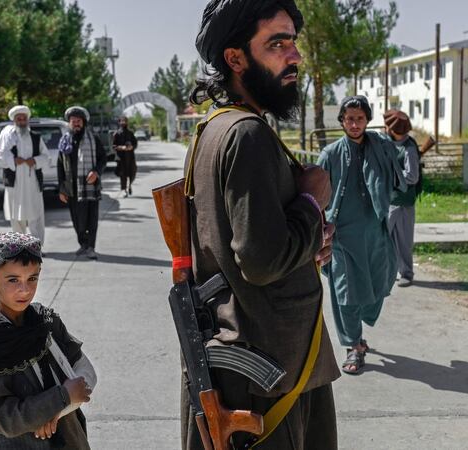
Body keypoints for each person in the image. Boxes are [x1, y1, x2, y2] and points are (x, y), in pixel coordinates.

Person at [183, 1, 340, 448]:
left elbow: (247, 241)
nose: (294, 56)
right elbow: (260, 261)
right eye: (277, 43)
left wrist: (307, 239)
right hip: (268, 373)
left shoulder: (216, 128)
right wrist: (311, 199)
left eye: (293, 42)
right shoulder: (245, 134)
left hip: (252, 360)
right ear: (235, 59)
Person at [0, 231, 97, 449]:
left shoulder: (45, 322)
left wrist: (57, 411)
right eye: (13, 280)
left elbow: (85, 371)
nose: (25, 290)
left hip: (71, 440)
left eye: (32, 278)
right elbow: (3, 417)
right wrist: (62, 397)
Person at [316, 96, 405, 375]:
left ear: (367, 120)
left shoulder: (381, 146)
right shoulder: (330, 154)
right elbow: (315, 196)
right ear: (341, 121)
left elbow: (402, 160)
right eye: (349, 118)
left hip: (375, 231)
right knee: (346, 293)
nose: (354, 124)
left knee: (380, 282)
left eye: (360, 118)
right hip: (342, 235)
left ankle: (360, 332)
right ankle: (353, 345)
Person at [0, 105, 49, 248]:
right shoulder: (7, 137)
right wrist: (12, 161)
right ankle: (20, 247)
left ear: (27, 120)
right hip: (15, 183)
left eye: (24, 118)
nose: (22, 121)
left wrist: (35, 161)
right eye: (19, 118)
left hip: (32, 183)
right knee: (16, 216)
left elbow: (46, 156)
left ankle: (36, 247)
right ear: (14, 120)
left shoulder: (36, 137)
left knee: (36, 215)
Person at [57, 106, 107, 260]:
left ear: (84, 122)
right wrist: (61, 188)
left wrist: (96, 172)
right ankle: (83, 244)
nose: (76, 124)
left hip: (90, 186)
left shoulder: (94, 139)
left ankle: (91, 247)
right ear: (69, 123)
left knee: (91, 219)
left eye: (79, 121)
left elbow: (103, 158)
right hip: (71, 188)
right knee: (77, 219)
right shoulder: (65, 140)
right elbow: (60, 165)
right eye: (73, 121)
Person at [383, 110, 421, 287]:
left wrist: (392, 176)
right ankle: (386, 272)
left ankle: (406, 273)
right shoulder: (387, 143)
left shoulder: (409, 148)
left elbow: (412, 177)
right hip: (387, 200)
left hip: (403, 202)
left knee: (404, 240)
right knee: (383, 238)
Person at [113, 116, 138, 197]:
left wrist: (132, 147)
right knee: (122, 174)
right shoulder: (116, 134)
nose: (123, 123)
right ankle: (124, 190)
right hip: (121, 158)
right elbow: (114, 146)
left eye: (125, 121)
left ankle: (129, 186)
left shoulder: (130, 133)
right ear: (119, 122)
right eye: (122, 121)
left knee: (132, 173)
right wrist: (121, 147)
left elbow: (135, 143)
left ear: (127, 122)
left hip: (130, 157)